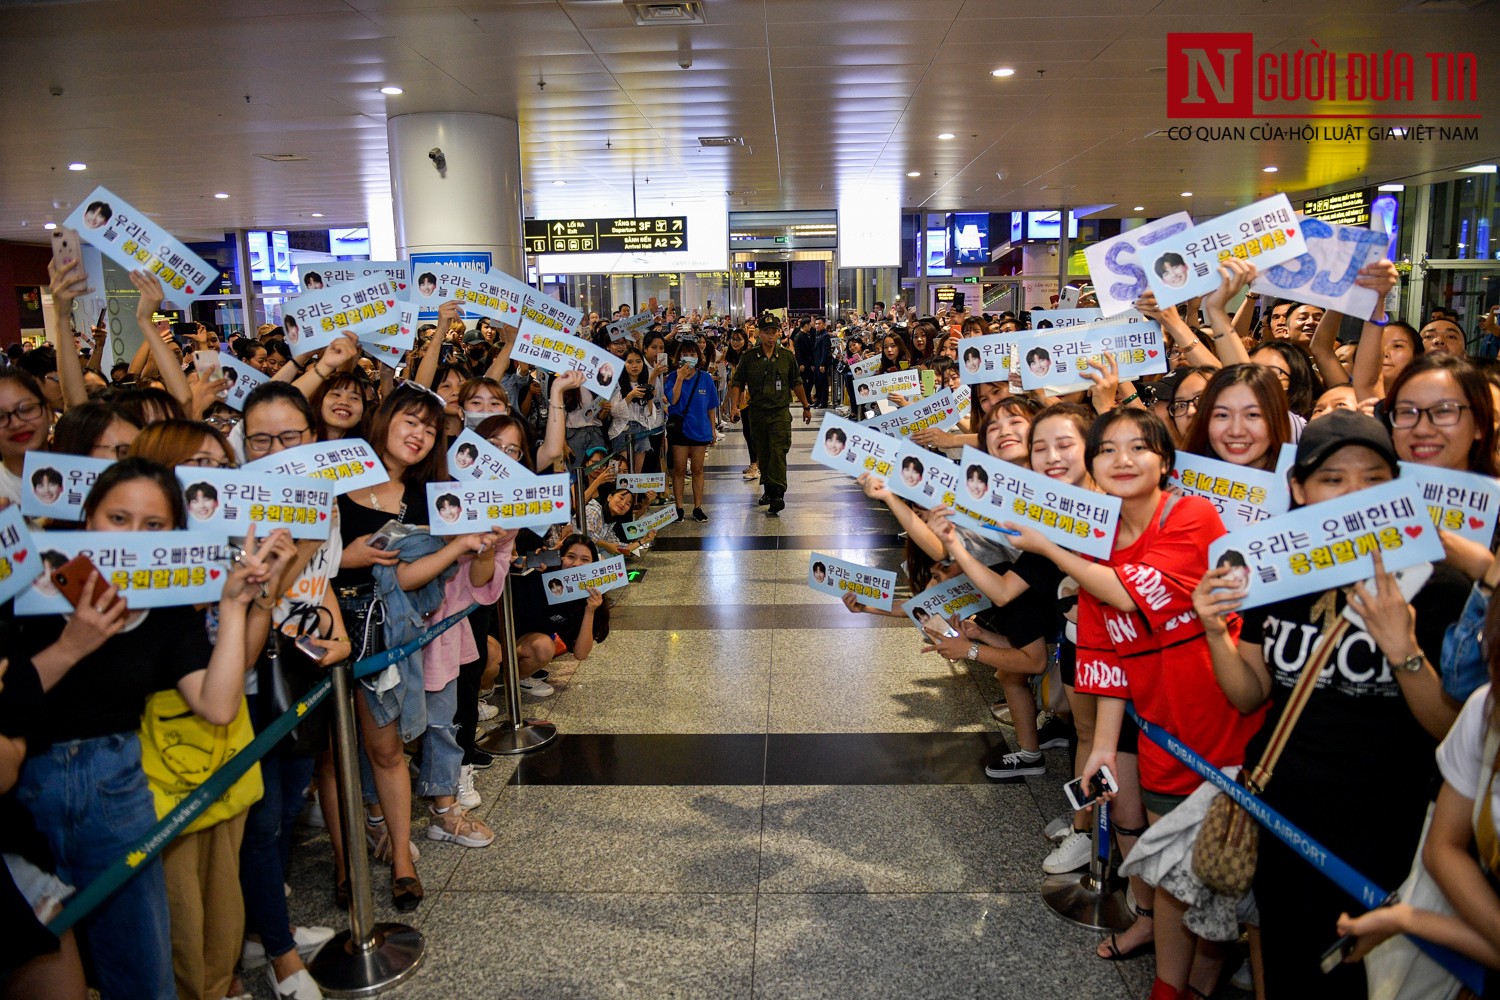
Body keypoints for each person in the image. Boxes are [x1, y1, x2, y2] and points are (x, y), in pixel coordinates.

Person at [1192, 410, 1461, 997]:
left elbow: (1453, 730)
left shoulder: (1438, 587)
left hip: (1386, 832)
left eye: (1373, 479)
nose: (1353, 496)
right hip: (1283, 816)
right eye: (1332, 479)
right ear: (1298, 488)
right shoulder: (1277, 573)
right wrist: (1216, 632)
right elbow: (1250, 695)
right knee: (1290, 969)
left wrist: (1404, 650)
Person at [13, 459, 281, 1000]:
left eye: (153, 526)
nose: (133, 537)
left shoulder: (167, 604)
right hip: (20, 795)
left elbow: (218, 704)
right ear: (87, 517)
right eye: (118, 518)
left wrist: (234, 606)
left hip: (118, 791)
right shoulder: (31, 580)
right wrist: (71, 647)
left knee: (143, 973)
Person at [729, 316, 812, 515]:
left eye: (774, 331)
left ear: (779, 332)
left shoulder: (786, 357)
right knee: (763, 453)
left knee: (778, 451)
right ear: (759, 333)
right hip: (757, 412)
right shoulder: (749, 357)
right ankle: (768, 488)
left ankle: (778, 494)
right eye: (766, 331)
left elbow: (796, 382)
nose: (770, 336)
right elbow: (737, 383)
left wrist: (806, 406)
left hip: (779, 412)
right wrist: (734, 407)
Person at [664, 339, 719, 522]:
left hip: (700, 428)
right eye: (685, 354)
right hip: (679, 429)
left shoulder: (705, 378)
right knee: (679, 469)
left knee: (698, 469)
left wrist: (713, 430)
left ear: (699, 356)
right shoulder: (672, 377)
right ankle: (679, 508)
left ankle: (697, 507)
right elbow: (673, 400)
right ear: (679, 356)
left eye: (693, 354)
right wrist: (680, 377)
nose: (689, 358)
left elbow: (711, 407)